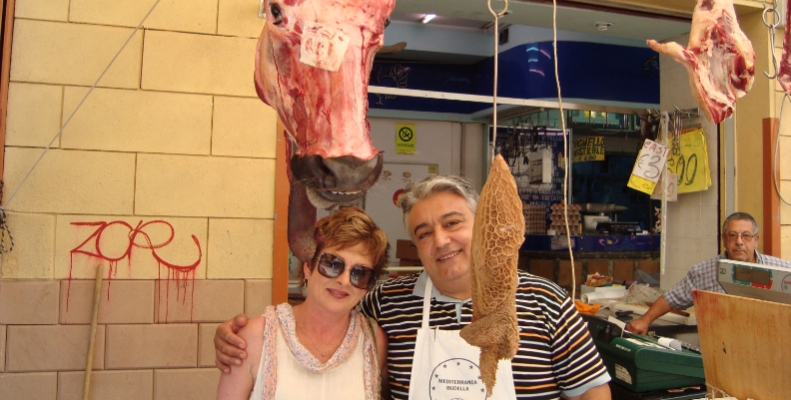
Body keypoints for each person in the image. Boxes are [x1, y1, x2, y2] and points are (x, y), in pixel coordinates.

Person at [216, 175, 611, 400]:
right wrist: (242, 337)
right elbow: (325, 314)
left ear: (482, 223)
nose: (440, 241)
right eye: (424, 233)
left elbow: (593, 393)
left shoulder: (545, 300)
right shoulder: (386, 304)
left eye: (453, 223)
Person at [216, 206, 389, 400]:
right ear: (308, 267)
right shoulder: (257, 337)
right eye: (332, 264)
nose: (344, 280)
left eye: (360, 273)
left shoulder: (374, 342)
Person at [626, 211, 791, 334]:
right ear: (724, 239)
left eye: (746, 236)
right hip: (723, 349)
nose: (739, 242)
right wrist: (644, 320)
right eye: (732, 235)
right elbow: (671, 298)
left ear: (756, 240)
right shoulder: (705, 272)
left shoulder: (781, 271)